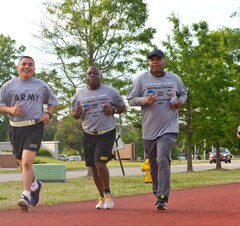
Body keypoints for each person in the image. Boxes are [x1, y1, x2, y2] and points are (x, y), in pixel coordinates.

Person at [0, 56, 58, 211]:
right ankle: (35, 186)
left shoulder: (41, 85)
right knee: (22, 163)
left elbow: (53, 102)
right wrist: (11, 109)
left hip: (34, 127)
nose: (27, 67)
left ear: (34, 68)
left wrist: (48, 114)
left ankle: (25, 195)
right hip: (15, 128)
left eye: (30, 65)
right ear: (18, 67)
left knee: (27, 161)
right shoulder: (9, 86)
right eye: (23, 64)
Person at [127, 49, 187, 211]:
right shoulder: (141, 79)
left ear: (164, 61)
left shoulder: (174, 79)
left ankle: (163, 196)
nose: (155, 62)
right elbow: (131, 100)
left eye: (158, 59)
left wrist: (179, 103)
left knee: (162, 159)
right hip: (149, 130)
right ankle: (157, 190)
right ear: (149, 63)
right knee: (153, 162)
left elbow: (183, 94)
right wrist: (145, 100)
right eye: (152, 60)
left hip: (169, 128)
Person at [71, 66, 126, 210]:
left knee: (100, 164)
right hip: (88, 134)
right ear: (86, 76)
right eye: (90, 74)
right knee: (93, 168)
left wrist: (113, 110)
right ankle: (101, 196)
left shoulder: (110, 91)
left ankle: (108, 194)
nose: (92, 76)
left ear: (100, 75)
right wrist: (77, 113)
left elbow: (122, 107)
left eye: (95, 73)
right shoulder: (79, 94)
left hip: (106, 133)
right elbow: (74, 114)